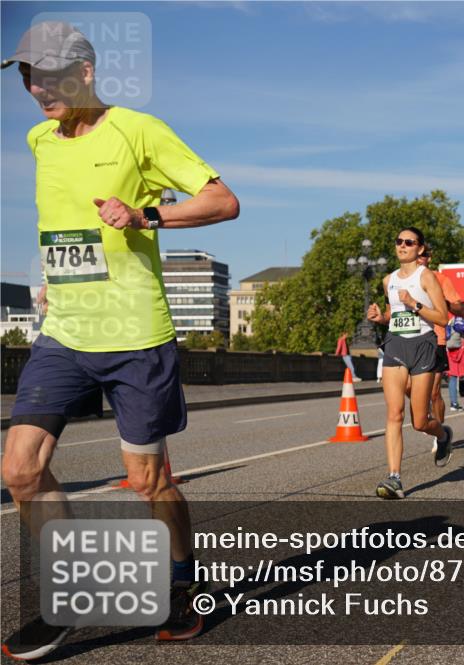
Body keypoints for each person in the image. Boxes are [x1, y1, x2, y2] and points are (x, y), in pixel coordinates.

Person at [1, 21, 240, 659]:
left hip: (135, 334)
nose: (35, 86)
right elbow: (66, 222)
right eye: (27, 74)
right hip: (65, 333)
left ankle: (184, 583)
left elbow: (222, 200)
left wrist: (146, 215)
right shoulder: (38, 139)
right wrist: (56, 277)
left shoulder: (138, 130)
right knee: (20, 469)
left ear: (86, 73)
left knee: (150, 480)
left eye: (48, 73)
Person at [367, 228, 454, 499]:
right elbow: (395, 313)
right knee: (394, 413)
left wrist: (414, 303)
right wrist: (382, 317)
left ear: (419, 248)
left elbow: (442, 317)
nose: (402, 246)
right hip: (395, 344)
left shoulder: (426, 277)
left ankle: (442, 435)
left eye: (409, 242)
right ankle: (394, 478)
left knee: (419, 421)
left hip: (423, 345)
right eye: (399, 242)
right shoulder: (388, 280)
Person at [416, 244, 464, 428]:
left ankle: (441, 433)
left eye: (424, 255)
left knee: (434, 392)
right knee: (408, 388)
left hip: (435, 339)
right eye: (418, 255)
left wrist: (442, 301)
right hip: (409, 340)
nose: (420, 259)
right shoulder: (402, 278)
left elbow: (460, 308)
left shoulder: (440, 279)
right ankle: (423, 413)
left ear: (429, 258)